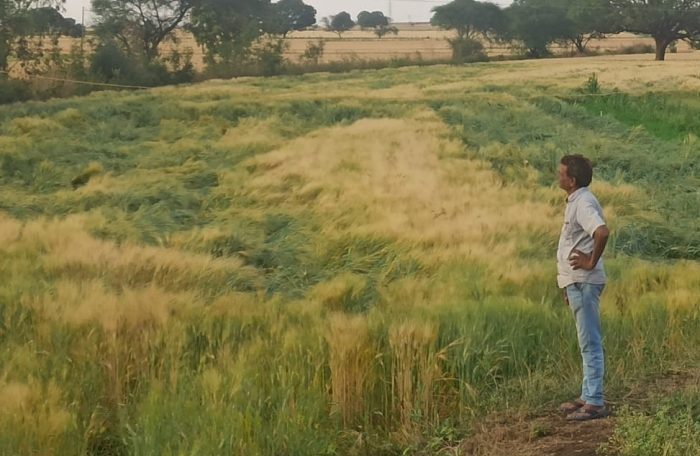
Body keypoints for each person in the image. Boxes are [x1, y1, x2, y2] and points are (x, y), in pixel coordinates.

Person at [556, 155, 610, 421]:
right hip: (577, 283)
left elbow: (601, 232)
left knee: (590, 342)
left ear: (572, 180)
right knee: (585, 340)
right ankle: (588, 395)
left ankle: (596, 402)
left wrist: (590, 262)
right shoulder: (575, 201)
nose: (558, 175)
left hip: (585, 283)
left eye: (561, 172)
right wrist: (567, 285)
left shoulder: (584, 203)